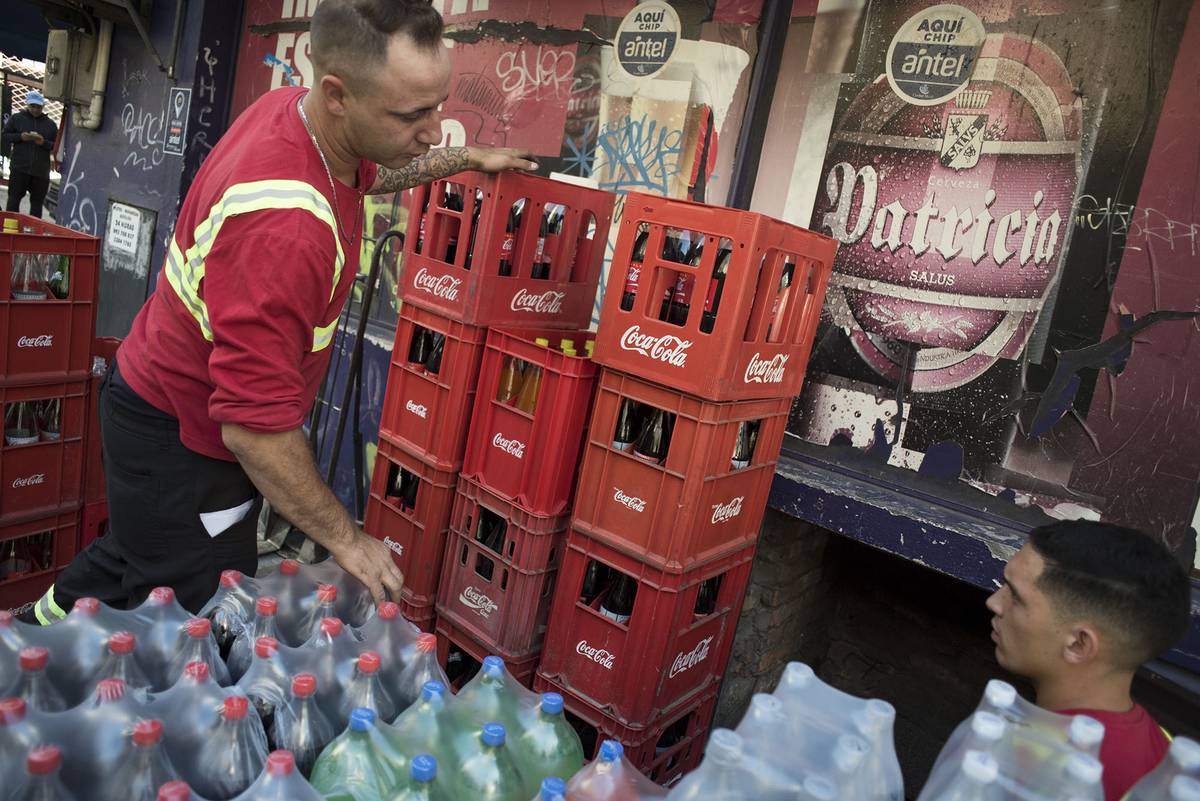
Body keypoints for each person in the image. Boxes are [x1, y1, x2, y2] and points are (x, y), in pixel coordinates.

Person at [23, 0, 536, 622]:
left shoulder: (298, 117)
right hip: (182, 438)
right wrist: (348, 540)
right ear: (337, 94)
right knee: (202, 613)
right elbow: (253, 429)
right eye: (412, 113)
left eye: (437, 105)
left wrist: (467, 157)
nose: (433, 129)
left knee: (135, 554)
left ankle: (28, 636)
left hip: (154, 403)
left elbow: (371, 175)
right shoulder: (285, 230)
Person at [986, 520, 1192, 801]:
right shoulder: (1163, 746)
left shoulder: (1039, 771)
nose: (994, 603)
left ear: (1079, 644)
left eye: (1016, 597)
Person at [2, 90, 58, 219]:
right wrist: (20, 137)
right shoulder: (17, 118)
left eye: (38, 107)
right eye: (32, 106)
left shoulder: (50, 125)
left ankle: (33, 233)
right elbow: (5, 136)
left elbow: (56, 147)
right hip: (19, 168)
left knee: (37, 205)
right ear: (27, 104)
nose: (35, 110)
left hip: (40, 172)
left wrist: (43, 142)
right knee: (13, 200)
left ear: (43, 107)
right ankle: (10, 230)